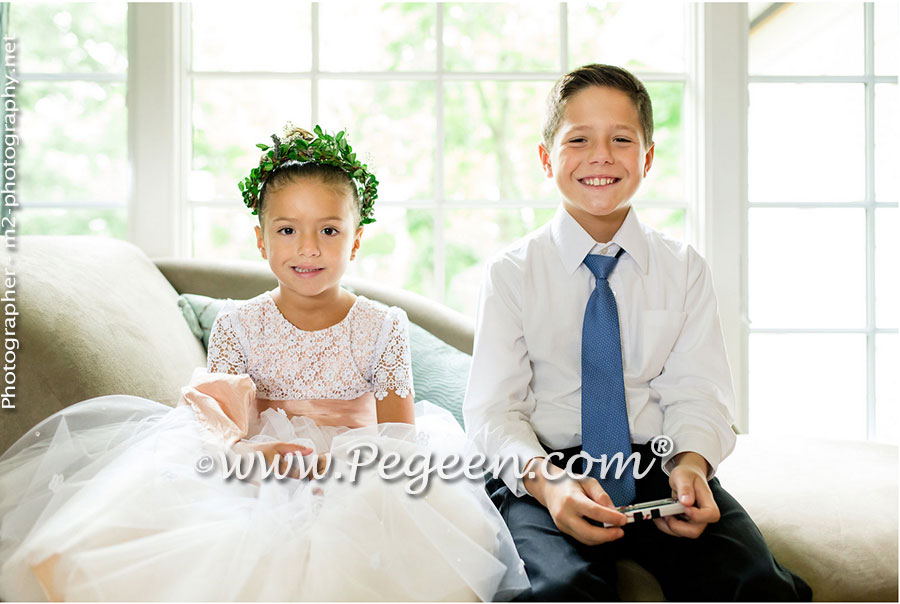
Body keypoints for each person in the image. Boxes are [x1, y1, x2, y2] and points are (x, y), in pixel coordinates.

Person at [0, 124, 528, 602]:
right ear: (260, 239)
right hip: (258, 462)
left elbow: (398, 434)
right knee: (185, 542)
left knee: (364, 549)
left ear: (356, 238)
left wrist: (345, 473)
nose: (308, 248)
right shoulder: (237, 323)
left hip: (360, 469)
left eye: (328, 230)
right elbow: (212, 422)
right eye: (286, 230)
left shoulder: (382, 324)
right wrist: (254, 451)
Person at [463, 64, 812, 601]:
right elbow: (493, 411)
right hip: (547, 473)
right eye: (578, 139)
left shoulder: (684, 268)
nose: (601, 155)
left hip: (656, 463)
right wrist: (547, 484)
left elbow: (698, 392)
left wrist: (692, 463)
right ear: (545, 157)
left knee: (754, 584)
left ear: (647, 158)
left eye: (621, 139)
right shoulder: (512, 273)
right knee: (564, 588)